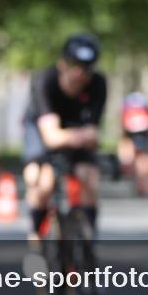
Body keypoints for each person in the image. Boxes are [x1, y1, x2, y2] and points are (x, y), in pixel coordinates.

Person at [22, 33, 107, 242]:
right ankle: (36, 236)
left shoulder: (98, 84)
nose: (81, 73)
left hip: (70, 128)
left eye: (87, 67)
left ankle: (88, 235)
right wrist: (79, 135)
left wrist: (72, 137)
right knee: (42, 181)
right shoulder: (45, 81)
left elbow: (94, 135)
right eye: (75, 65)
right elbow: (51, 137)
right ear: (63, 64)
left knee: (89, 177)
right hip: (39, 127)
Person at [118, 91, 148, 196]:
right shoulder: (142, 101)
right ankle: (143, 181)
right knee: (141, 156)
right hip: (140, 129)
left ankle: (142, 181)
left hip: (135, 129)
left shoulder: (128, 101)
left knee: (141, 157)